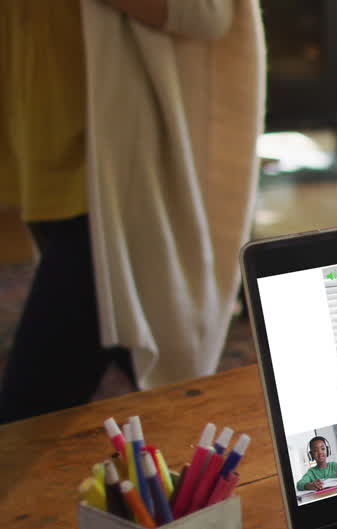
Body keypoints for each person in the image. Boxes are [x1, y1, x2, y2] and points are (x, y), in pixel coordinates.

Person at [0, 0, 265, 423]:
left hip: (116, 183)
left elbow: (208, 11)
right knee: (142, 384)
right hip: (47, 161)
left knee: (26, 411)